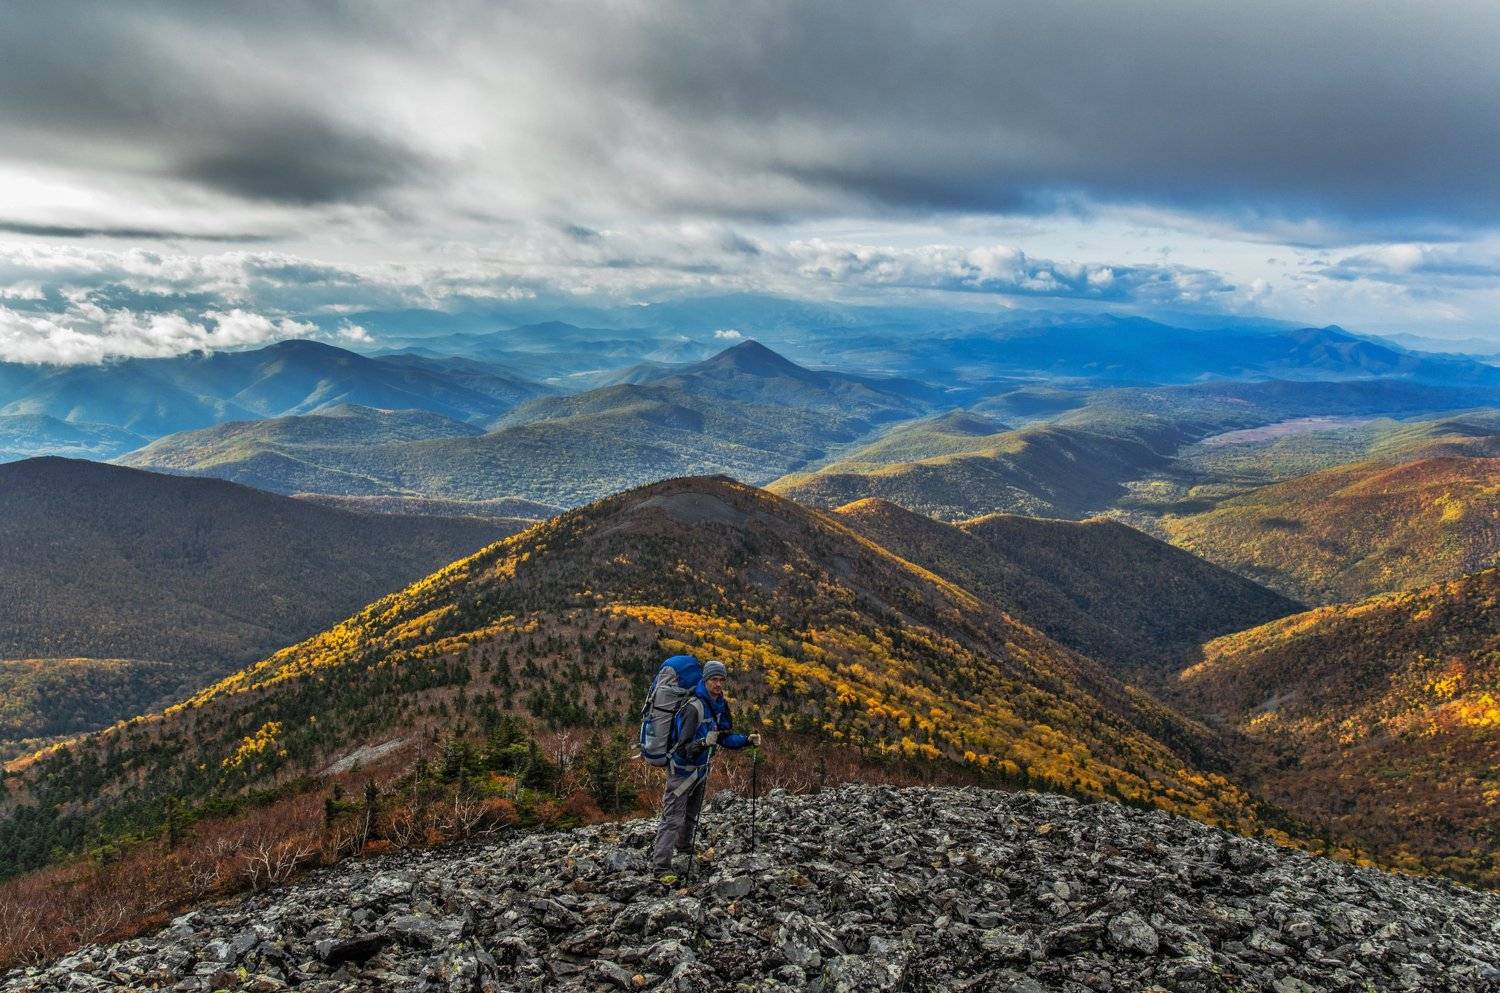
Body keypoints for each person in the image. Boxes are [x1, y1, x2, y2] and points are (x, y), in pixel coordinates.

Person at [651, 659, 760, 877]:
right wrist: (703, 743)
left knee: (692, 814)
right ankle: (661, 867)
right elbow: (682, 748)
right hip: (682, 771)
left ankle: (684, 847)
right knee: (673, 818)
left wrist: (747, 740)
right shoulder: (693, 707)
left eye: (722, 680)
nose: (718, 684)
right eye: (714, 679)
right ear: (705, 680)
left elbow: (724, 738)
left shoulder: (719, 704)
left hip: (701, 769)